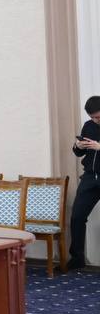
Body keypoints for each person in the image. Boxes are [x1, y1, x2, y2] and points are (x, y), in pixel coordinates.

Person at [68, 95, 100, 268]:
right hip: (90, 177)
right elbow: (79, 153)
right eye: (92, 117)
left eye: (98, 117)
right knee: (77, 217)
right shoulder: (88, 126)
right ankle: (77, 258)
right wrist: (77, 146)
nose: (95, 120)